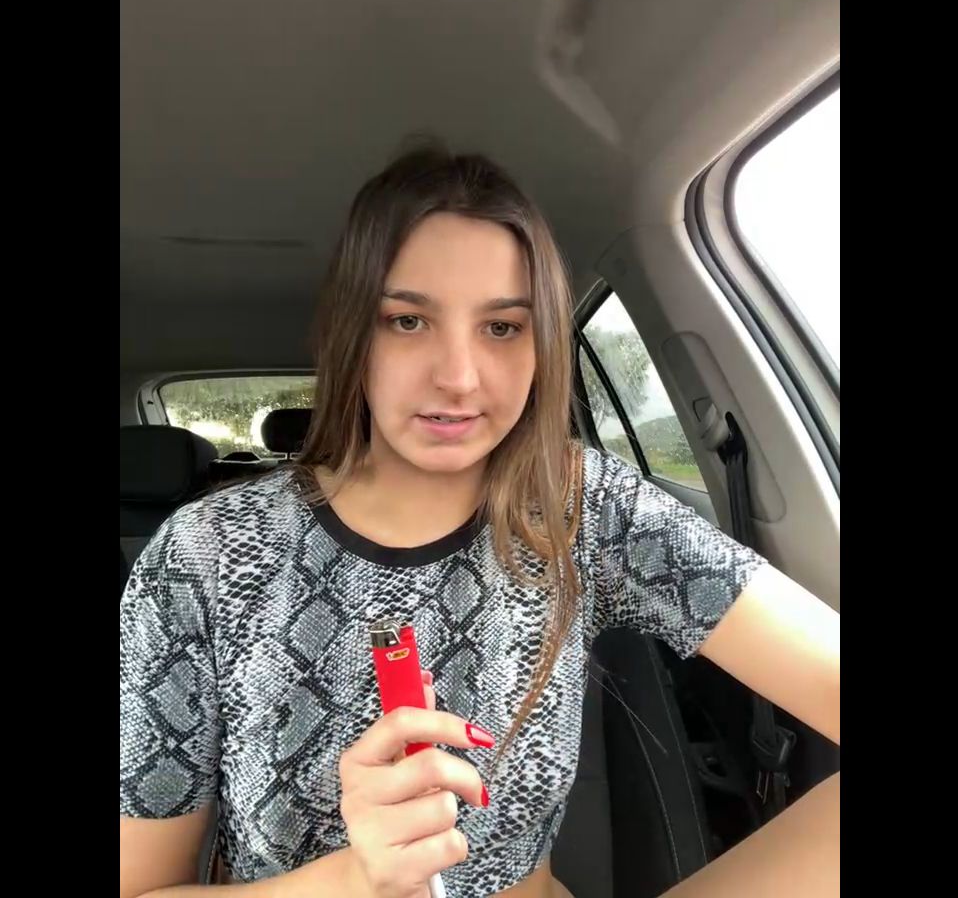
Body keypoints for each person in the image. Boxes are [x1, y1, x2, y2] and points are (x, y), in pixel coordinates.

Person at [120, 145, 839, 898]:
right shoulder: (205, 555)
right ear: (350, 334)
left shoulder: (581, 507)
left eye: (502, 328)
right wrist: (354, 879)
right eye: (407, 320)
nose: (459, 378)